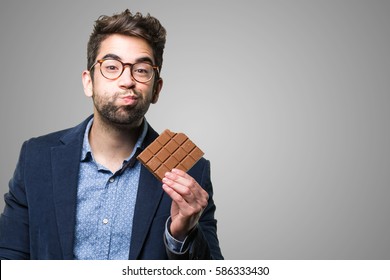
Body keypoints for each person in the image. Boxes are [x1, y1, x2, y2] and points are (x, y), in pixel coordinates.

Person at [0, 9, 223, 260]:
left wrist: (182, 234)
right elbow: (9, 259)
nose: (127, 80)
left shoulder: (191, 171)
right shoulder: (37, 158)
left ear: (156, 89)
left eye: (141, 69)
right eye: (112, 66)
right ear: (88, 82)